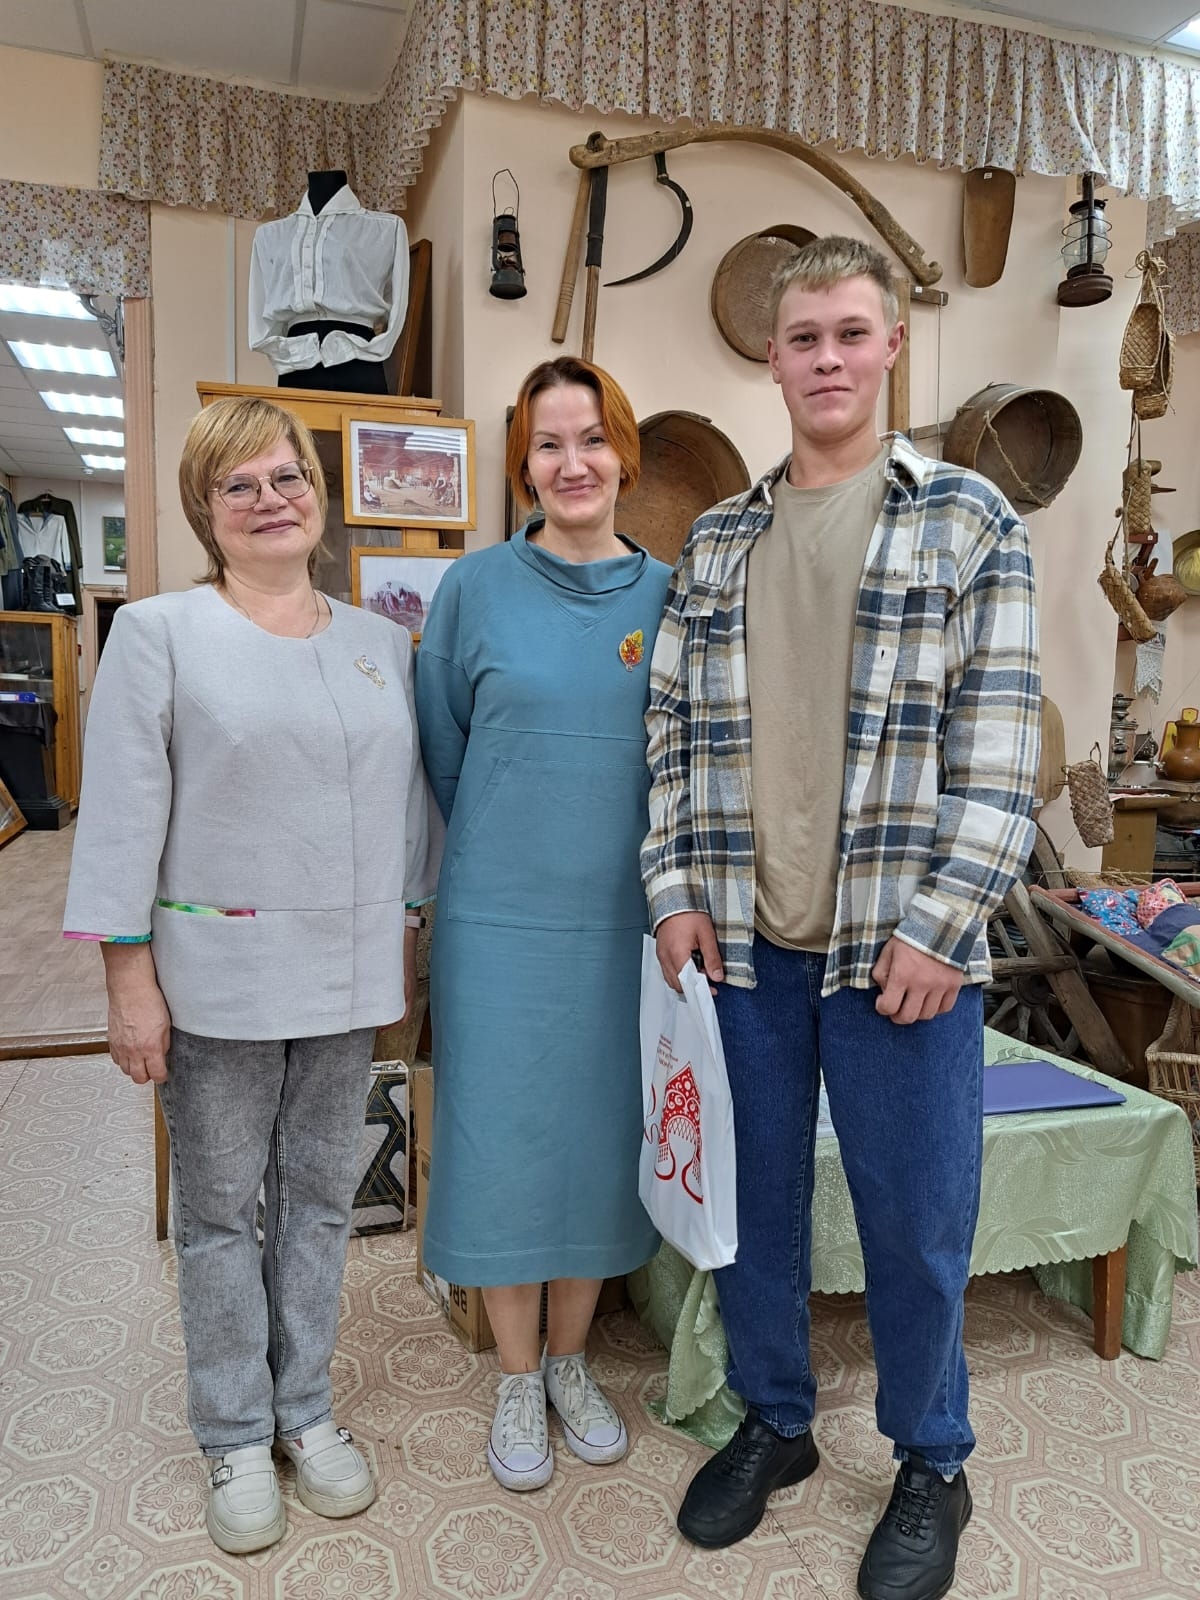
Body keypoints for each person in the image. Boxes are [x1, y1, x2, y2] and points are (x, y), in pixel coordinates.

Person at [641, 236, 1040, 1600]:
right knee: (753, 1204)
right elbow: (669, 737)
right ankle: (777, 1419)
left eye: (850, 334)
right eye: (804, 336)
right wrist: (674, 892)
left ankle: (933, 1456)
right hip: (744, 946)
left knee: (914, 1221)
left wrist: (943, 923)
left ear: (889, 348)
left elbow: (1001, 755)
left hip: (900, 951)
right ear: (774, 356)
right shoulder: (716, 541)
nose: (827, 358)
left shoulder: (970, 523)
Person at [63, 395, 441, 1556]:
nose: (271, 499)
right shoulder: (161, 634)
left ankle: (305, 1407)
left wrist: (411, 943)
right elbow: (121, 819)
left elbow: (408, 812)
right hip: (214, 977)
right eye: (242, 484)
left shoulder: (380, 645)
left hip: (345, 976)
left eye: (289, 477)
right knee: (221, 1210)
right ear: (206, 509)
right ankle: (233, 1430)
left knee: (323, 1200)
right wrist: (128, 981)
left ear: (318, 495)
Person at [414, 357, 668, 1493]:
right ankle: (517, 1374)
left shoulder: (672, 598)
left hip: (627, 922)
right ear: (523, 464)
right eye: (548, 444)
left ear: (625, 454)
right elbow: (444, 751)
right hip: (499, 918)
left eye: (592, 439)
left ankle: (572, 1360)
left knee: (600, 1135)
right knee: (504, 1138)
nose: (573, 463)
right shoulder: (472, 589)